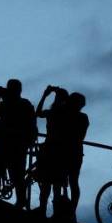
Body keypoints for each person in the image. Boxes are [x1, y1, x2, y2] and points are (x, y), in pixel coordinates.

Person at [0, 79, 36, 208]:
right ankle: (21, 202)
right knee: (17, 176)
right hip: (17, 145)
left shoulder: (8, 104)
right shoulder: (25, 104)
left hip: (4, 144)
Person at [34, 85, 71, 215]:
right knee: (56, 184)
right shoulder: (67, 114)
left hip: (50, 149)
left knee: (47, 183)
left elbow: (38, 113)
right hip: (60, 151)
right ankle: (56, 212)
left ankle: (43, 209)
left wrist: (45, 95)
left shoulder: (53, 113)